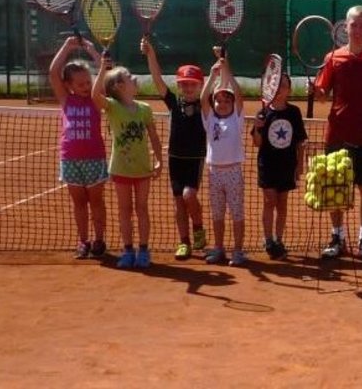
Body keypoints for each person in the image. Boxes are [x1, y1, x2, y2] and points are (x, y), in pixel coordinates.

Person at [316, 5, 362, 260]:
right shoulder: (332, 58)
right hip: (336, 133)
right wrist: (316, 92)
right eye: (353, 25)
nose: (357, 30)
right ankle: (337, 237)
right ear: (345, 27)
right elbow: (323, 96)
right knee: (336, 185)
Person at [93, 58, 163, 270]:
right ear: (119, 87)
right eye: (129, 77)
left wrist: (160, 159)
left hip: (142, 168)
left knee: (142, 209)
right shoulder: (112, 107)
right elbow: (95, 95)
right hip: (121, 169)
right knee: (124, 210)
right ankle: (128, 250)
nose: (134, 78)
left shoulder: (145, 109)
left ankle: (143, 250)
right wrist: (102, 69)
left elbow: (153, 136)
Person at [142, 38, 208, 260]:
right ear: (179, 86)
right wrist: (150, 54)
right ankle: (184, 242)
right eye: (184, 84)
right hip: (175, 159)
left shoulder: (204, 106)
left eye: (193, 84)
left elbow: (214, 89)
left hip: (195, 158)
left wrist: (220, 65)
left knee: (190, 195)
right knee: (179, 202)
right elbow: (158, 80)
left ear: (200, 86)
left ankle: (198, 227)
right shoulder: (174, 103)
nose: (188, 88)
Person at [48, 36, 108, 260]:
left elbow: (106, 69)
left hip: (94, 158)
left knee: (96, 202)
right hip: (70, 159)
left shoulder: (95, 99)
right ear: (68, 85)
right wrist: (66, 47)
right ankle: (83, 241)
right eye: (80, 84)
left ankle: (99, 239)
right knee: (79, 203)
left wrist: (92, 50)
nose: (86, 87)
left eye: (87, 82)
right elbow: (54, 72)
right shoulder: (65, 99)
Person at [250, 71, 307, 261]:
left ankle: (279, 239)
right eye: (276, 84)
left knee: (282, 204)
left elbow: (300, 142)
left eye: (283, 85)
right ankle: (268, 240)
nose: (279, 88)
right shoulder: (263, 112)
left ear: (289, 90)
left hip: (287, 165)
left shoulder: (294, 112)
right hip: (267, 165)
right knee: (269, 201)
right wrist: (258, 126)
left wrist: (299, 166)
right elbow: (257, 143)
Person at [201, 50, 248, 266]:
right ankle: (219, 249)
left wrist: (227, 68)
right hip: (214, 173)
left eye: (226, 101)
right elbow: (203, 98)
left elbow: (239, 96)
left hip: (233, 172)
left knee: (237, 214)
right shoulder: (209, 119)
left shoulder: (237, 120)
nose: (222, 104)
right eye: (218, 101)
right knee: (217, 214)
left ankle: (238, 251)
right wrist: (213, 74)